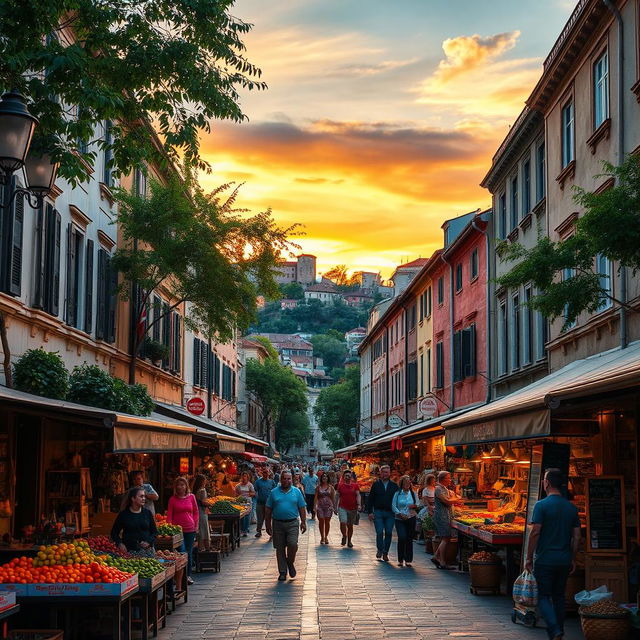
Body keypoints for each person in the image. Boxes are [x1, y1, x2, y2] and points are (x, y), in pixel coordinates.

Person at [525, 468, 581, 640]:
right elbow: (577, 536)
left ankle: (555, 630)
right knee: (559, 596)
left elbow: (535, 532)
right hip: (564, 560)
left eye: (543, 480)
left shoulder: (541, 505)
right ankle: (560, 630)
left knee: (543, 596)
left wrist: (528, 557)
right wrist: (572, 557)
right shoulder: (571, 508)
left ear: (547, 483)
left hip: (545, 559)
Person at [265, 471, 307, 581]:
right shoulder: (274, 492)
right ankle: (282, 572)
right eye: (284, 478)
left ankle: (290, 561)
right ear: (281, 480)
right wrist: (267, 524)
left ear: (291, 480)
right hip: (278, 523)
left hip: (292, 523)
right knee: (280, 548)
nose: (287, 481)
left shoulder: (297, 492)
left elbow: (302, 507)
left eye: (289, 479)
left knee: (292, 544)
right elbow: (268, 509)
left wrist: (303, 522)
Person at [167, 476, 199, 585]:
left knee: (188, 552)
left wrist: (195, 525)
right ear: (175, 487)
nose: (180, 487)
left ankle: (188, 575)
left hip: (190, 529)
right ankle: (179, 577)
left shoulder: (192, 497)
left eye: (182, 485)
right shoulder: (172, 499)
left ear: (186, 486)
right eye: (178, 485)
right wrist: (169, 529)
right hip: (177, 531)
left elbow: (196, 512)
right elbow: (169, 516)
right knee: (181, 552)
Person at [366, 465, 399, 561]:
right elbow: (370, 499)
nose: (385, 474)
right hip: (378, 512)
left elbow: (397, 499)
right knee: (379, 532)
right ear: (380, 473)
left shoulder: (394, 486)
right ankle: (380, 549)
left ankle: (385, 552)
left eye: (387, 472)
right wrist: (370, 512)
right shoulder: (376, 485)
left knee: (388, 532)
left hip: (390, 513)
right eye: (383, 472)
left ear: (389, 474)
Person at [111, 487, 157, 553]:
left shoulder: (147, 513)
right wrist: (120, 543)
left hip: (148, 551)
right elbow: (114, 532)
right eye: (141, 496)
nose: (144, 498)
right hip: (130, 551)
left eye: (144, 496)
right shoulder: (124, 514)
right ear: (133, 499)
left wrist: (148, 542)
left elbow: (154, 532)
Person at [432, 471, 461, 570]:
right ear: (443, 479)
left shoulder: (445, 489)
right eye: (448, 478)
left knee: (446, 538)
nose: (450, 480)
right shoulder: (438, 489)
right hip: (441, 516)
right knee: (445, 538)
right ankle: (443, 562)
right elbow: (447, 502)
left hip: (446, 515)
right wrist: (456, 499)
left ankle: (436, 557)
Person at [392, 475, 419, 567]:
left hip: (411, 518)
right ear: (402, 484)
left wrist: (414, 506)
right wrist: (399, 514)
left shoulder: (413, 493)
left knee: (409, 538)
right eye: (405, 482)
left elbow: (418, 503)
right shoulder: (398, 493)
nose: (407, 484)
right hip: (400, 518)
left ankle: (408, 559)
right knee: (402, 537)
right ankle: (400, 559)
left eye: (409, 482)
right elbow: (393, 505)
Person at [336, 469, 361, 548]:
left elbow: (358, 495)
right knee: (343, 522)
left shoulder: (355, 485)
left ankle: (349, 540)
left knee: (350, 525)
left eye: (349, 476)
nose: (348, 477)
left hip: (353, 508)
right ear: (343, 477)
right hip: (342, 507)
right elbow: (337, 496)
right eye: (346, 476)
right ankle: (344, 535)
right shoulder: (340, 486)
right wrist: (334, 506)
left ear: (351, 477)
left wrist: (359, 504)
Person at [254, 466, 276, 538]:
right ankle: (259, 531)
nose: (265, 474)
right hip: (260, 503)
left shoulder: (271, 482)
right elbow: (255, 491)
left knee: (268, 518)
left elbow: (274, 492)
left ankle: (270, 532)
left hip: (269, 504)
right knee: (260, 518)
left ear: (269, 473)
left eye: (266, 472)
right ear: (262, 473)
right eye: (264, 472)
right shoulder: (258, 482)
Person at [314, 472, 336, 544]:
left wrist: (334, 507)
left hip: (329, 507)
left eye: (326, 477)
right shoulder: (318, 487)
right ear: (321, 478)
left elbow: (333, 498)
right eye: (323, 477)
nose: (324, 478)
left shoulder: (331, 487)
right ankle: (322, 537)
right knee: (321, 521)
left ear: (328, 478)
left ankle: (326, 536)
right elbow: (316, 497)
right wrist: (314, 506)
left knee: (327, 522)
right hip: (320, 506)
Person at [192, 474, 211, 552]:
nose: (205, 482)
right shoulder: (202, 490)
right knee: (204, 530)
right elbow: (203, 502)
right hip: (202, 512)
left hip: (197, 511)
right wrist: (210, 504)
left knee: (200, 530)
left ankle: (200, 548)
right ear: (202, 481)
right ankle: (206, 549)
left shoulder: (195, 490)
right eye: (205, 480)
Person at [235, 471, 255, 536]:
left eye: (245, 476)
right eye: (243, 476)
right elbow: (236, 494)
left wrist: (247, 494)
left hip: (248, 502)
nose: (244, 478)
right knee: (241, 516)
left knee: (247, 516)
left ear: (247, 477)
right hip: (240, 503)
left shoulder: (250, 485)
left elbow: (253, 493)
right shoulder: (238, 486)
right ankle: (242, 529)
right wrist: (239, 496)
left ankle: (246, 529)